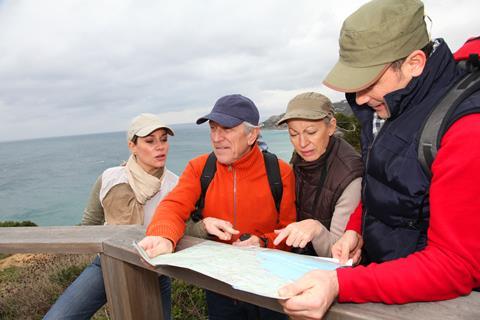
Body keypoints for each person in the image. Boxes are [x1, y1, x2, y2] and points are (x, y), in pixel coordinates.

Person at [278, 0, 480, 319]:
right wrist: (356, 229)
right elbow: (384, 182)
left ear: (414, 63)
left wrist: (340, 284)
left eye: (368, 81)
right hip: (387, 281)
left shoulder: (467, 129)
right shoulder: (391, 105)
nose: (358, 98)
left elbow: (456, 264)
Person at [139, 94, 296, 320]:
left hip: (269, 290)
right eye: (213, 128)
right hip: (219, 288)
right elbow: (173, 206)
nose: (217, 137)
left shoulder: (279, 172)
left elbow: (288, 231)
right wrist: (163, 237)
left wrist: (263, 242)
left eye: (227, 129)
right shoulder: (200, 167)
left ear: (252, 134)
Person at [44, 113, 178, 320]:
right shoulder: (111, 177)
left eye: (164, 139)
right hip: (107, 265)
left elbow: (182, 227)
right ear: (132, 146)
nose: (160, 146)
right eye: (150, 141)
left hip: (154, 270)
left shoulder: (175, 185)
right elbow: (90, 223)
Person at [273, 92, 363, 257]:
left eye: (311, 132)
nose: (302, 143)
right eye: (293, 134)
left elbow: (340, 252)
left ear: (331, 127)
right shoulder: (301, 155)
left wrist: (316, 229)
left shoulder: (350, 175)